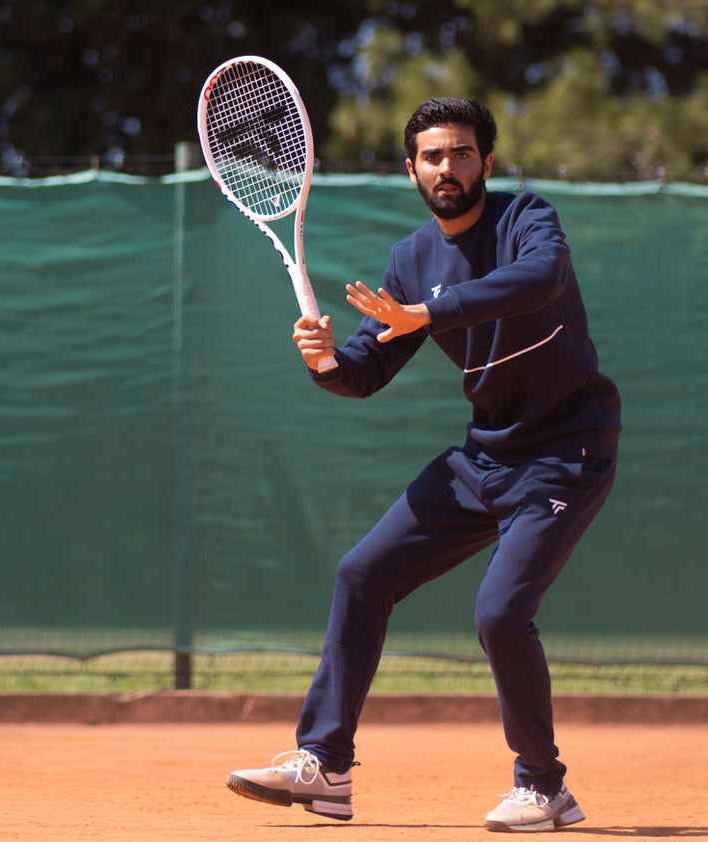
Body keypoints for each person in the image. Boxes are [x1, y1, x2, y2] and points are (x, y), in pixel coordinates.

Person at [225, 97, 621, 833]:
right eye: (433, 156)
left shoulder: (525, 218)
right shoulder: (410, 259)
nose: (448, 167)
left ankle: (544, 788)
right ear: (411, 170)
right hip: (486, 455)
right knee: (361, 572)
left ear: (486, 164)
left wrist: (431, 314)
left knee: (501, 613)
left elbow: (540, 280)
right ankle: (325, 766)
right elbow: (366, 369)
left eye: (462, 152)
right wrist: (324, 364)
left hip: (567, 451)